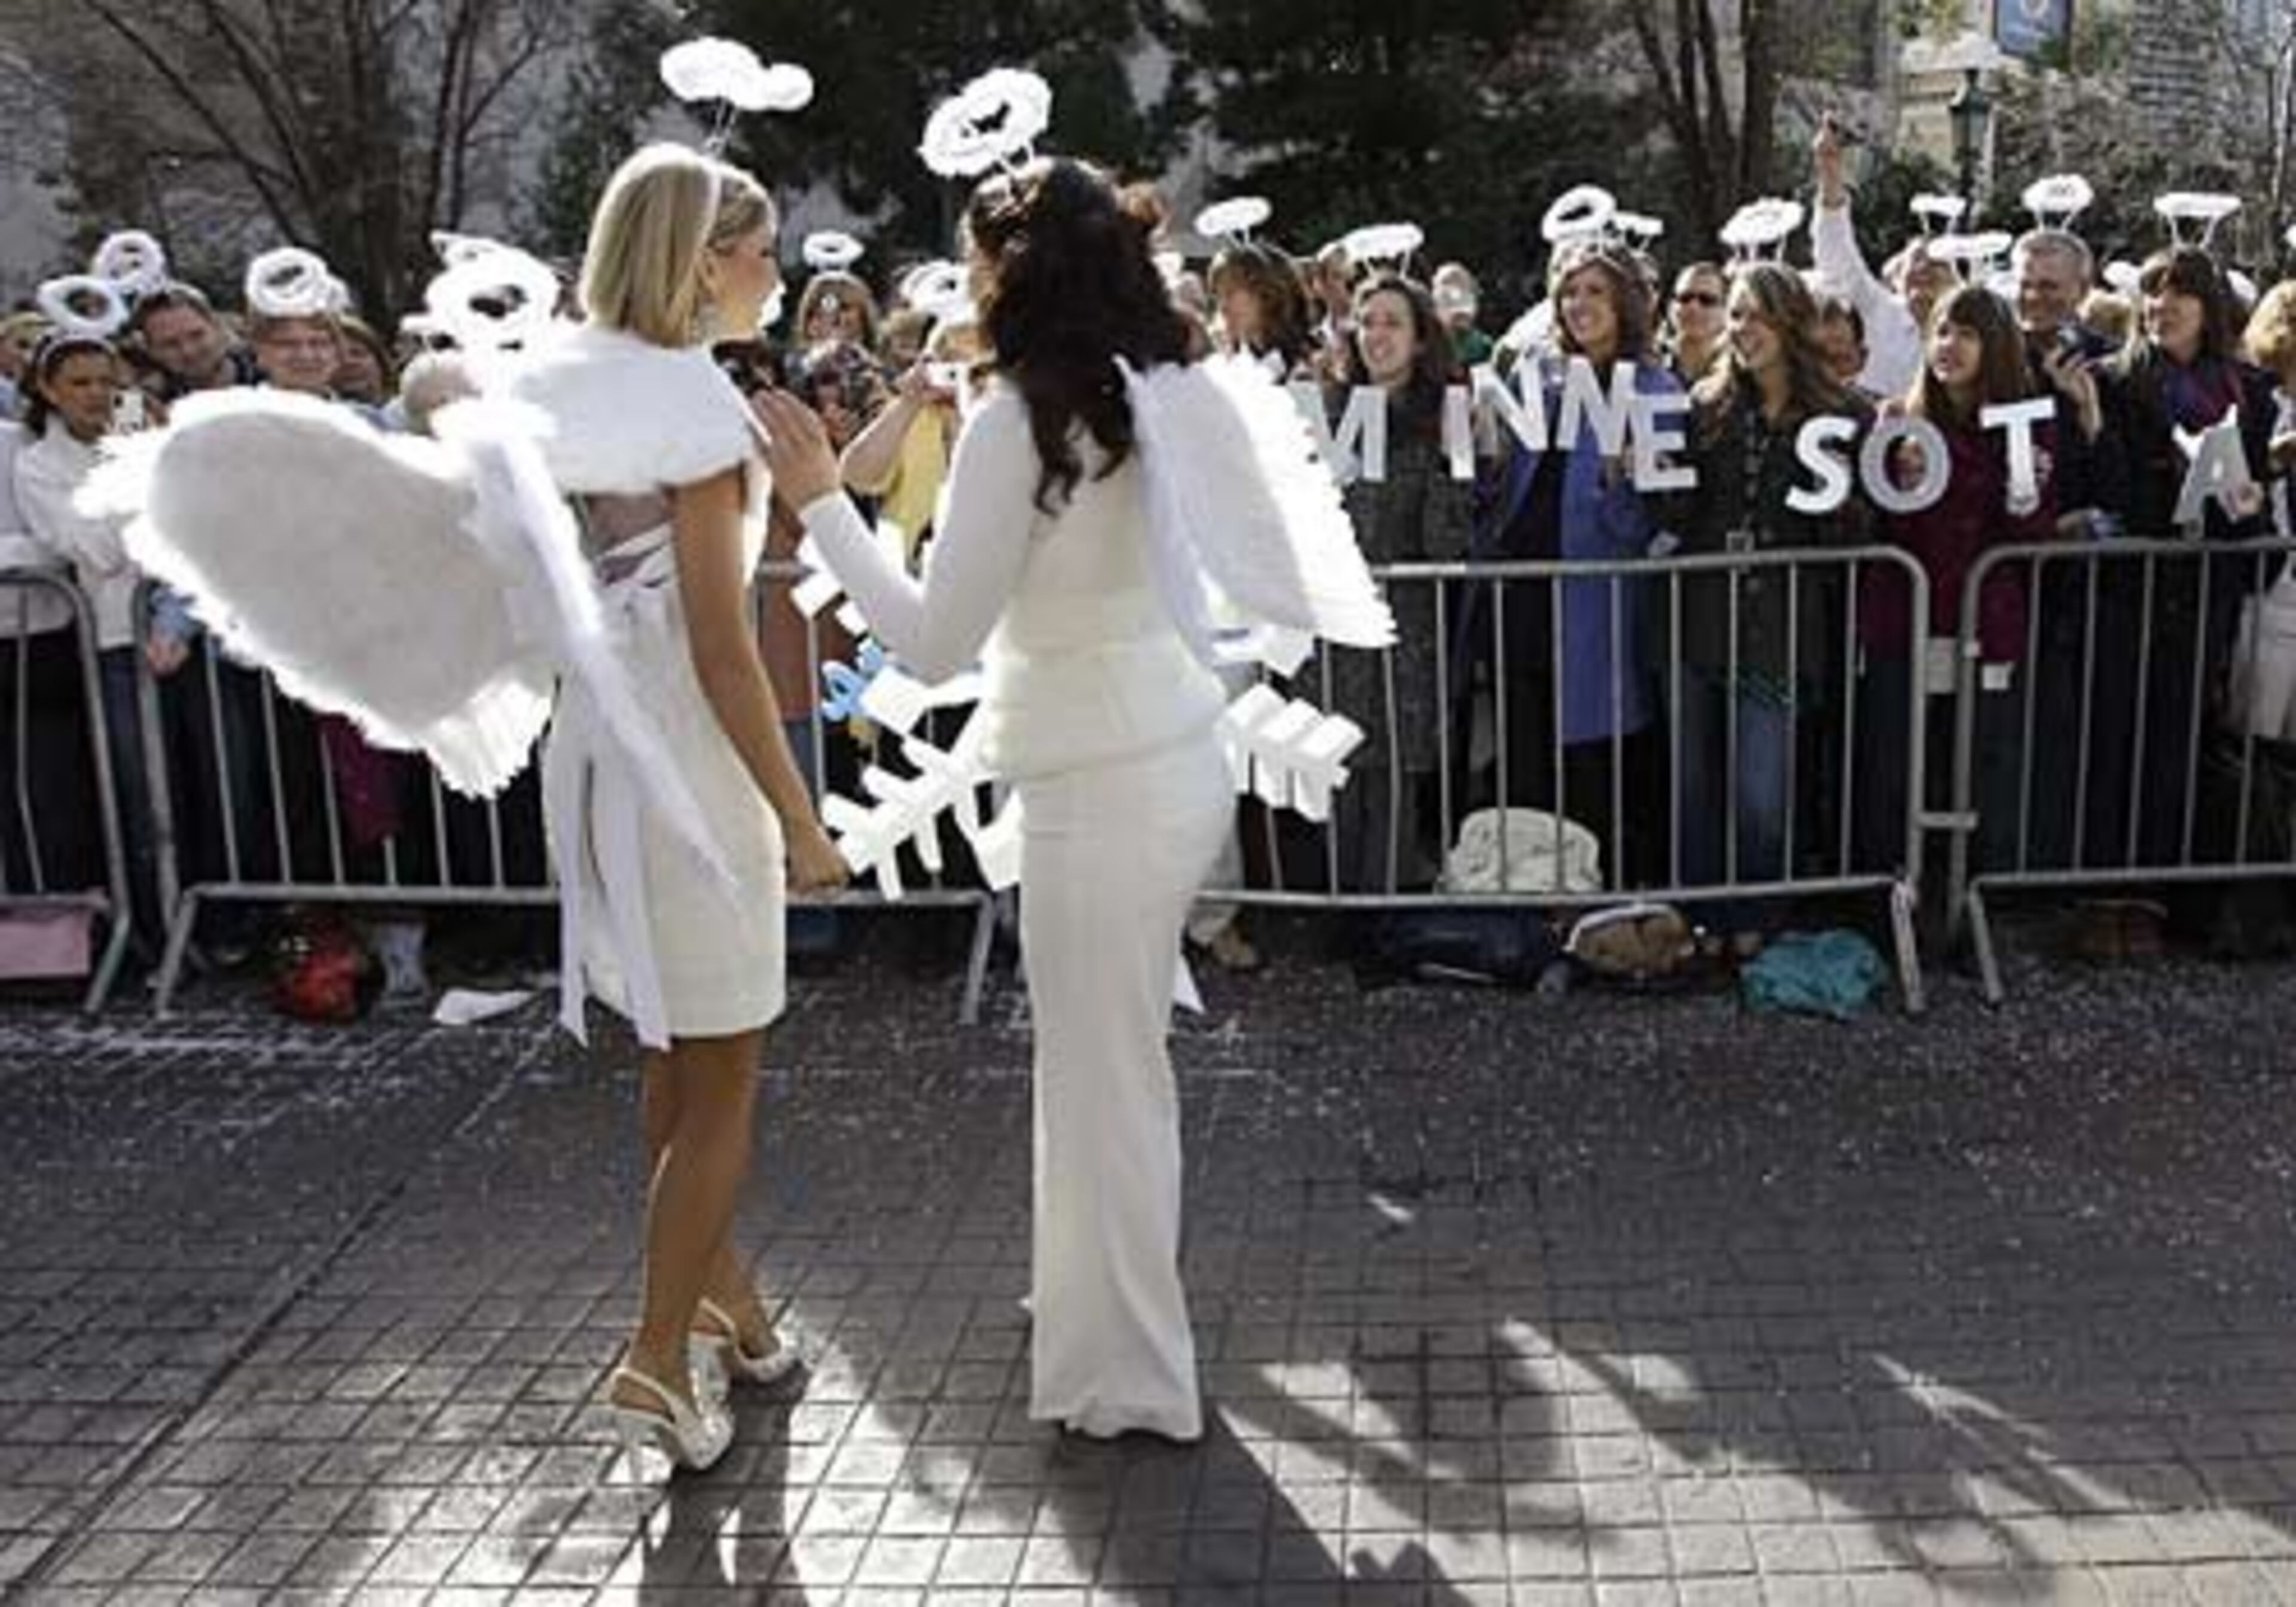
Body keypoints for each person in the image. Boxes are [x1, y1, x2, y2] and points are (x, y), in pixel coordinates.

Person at [757, 155, 1387, 1442]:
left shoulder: (1023, 423)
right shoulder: (1161, 391)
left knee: (1106, 1079)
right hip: (1159, 757)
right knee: (1101, 1068)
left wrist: (822, 502)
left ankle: (1130, 1375)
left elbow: (933, 643)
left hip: (1100, 782)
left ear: (1010, 273)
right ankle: (1084, 1309)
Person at [506, 144, 848, 1469]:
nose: (779, 269)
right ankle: (654, 1361)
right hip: (689, 775)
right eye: (763, 247)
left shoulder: (561, 384)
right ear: (706, 261)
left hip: (601, 760)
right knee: (722, 1083)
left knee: (677, 1063)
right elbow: (724, 645)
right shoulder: (692, 411)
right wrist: (801, 818)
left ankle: (734, 1307)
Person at [1677, 262, 1871, 936]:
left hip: (1783, 624)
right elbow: (1677, 506)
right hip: (1699, 616)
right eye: (1735, 314)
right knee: (1694, 788)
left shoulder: (1844, 414)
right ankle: (1698, 925)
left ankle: (1759, 921)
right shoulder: (1703, 406)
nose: (1743, 329)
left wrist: (1854, 500)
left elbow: (1861, 523)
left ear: (1789, 324)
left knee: (1762, 793)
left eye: (1757, 314)